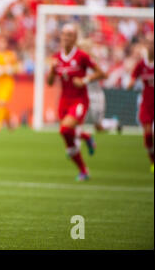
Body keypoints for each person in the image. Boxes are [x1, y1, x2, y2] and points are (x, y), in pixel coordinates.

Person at [47, 24, 106, 181]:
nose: (66, 37)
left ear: (75, 38)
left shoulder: (81, 56)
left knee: (65, 130)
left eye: (69, 35)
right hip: (63, 101)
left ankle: (85, 138)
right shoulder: (56, 57)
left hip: (79, 100)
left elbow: (102, 73)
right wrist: (52, 70)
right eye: (64, 34)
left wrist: (85, 80)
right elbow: (50, 82)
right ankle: (84, 169)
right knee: (68, 141)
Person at [77, 39, 121, 136]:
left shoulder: (93, 62)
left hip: (95, 95)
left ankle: (114, 123)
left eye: (81, 48)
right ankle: (81, 138)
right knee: (77, 120)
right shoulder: (77, 62)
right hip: (82, 95)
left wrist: (87, 79)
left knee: (98, 127)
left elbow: (105, 75)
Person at [128, 40, 154, 173]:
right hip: (147, 104)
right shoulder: (141, 64)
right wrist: (131, 83)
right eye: (149, 44)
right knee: (148, 135)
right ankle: (152, 161)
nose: (150, 47)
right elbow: (132, 80)